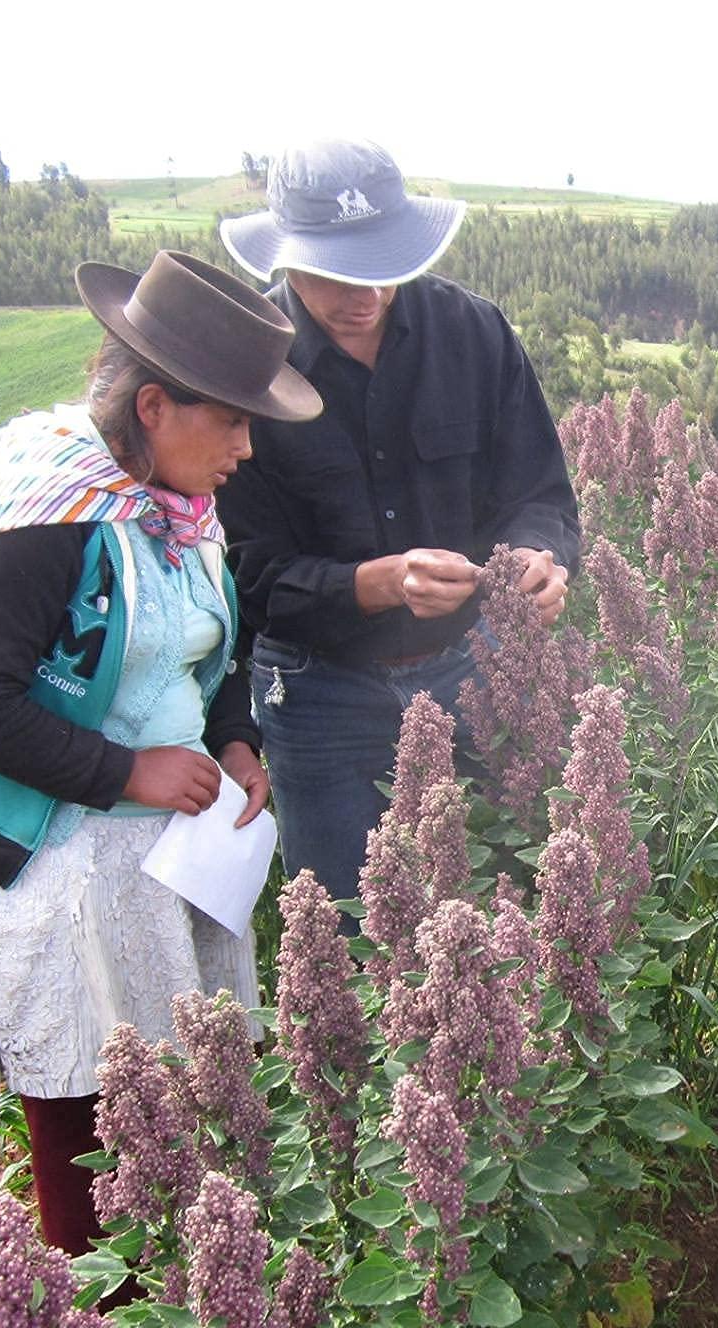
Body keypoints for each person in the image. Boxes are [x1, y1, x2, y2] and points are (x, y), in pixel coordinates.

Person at [0, 251, 321, 1253]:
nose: (246, 445)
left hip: (167, 862)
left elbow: (210, 643)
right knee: (94, 1121)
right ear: (154, 404)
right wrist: (126, 772)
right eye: (231, 419)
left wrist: (231, 738)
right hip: (61, 871)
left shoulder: (175, 500)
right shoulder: (41, 516)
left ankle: (196, 1312)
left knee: (188, 1099)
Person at [215, 138, 582, 916]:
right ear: (284, 258)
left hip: (472, 669)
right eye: (336, 274)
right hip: (318, 697)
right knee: (352, 937)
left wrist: (544, 559)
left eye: (384, 266)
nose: (366, 295)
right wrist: (374, 585)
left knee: (507, 922)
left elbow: (540, 491)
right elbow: (248, 578)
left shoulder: (473, 334)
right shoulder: (248, 367)